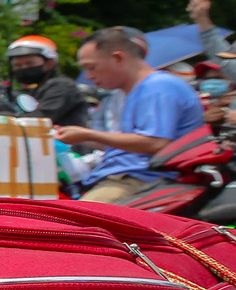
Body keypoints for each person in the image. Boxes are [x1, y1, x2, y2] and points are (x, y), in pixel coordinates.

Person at [52, 26, 204, 203]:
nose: (88, 76)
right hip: (125, 176)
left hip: (143, 179)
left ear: (118, 58)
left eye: (91, 67)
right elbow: (127, 142)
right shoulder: (126, 93)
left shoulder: (158, 87)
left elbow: (155, 142)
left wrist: (88, 134)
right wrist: (78, 136)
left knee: (73, 223)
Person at [1, 34, 87, 126]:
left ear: (50, 63)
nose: (23, 68)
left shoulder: (61, 86)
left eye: (30, 63)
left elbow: (39, 119)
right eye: (18, 65)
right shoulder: (38, 88)